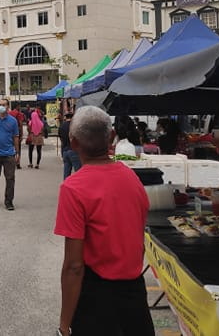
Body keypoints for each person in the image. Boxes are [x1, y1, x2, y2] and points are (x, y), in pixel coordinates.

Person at [54, 106, 153, 335]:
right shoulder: (131, 178)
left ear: (73, 143)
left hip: (97, 300)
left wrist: (64, 326)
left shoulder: (73, 188)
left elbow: (74, 266)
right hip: (135, 295)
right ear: (111, 137)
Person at [0, 98, 24, 169]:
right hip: (16, 132)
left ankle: (11, 161)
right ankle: (17, 162)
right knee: (17, 148)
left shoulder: (10, 113)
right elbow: (21, 124)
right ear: (18, 106)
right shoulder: (19, 114)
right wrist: (21, 135)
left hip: (9, 132)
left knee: (10, 147)